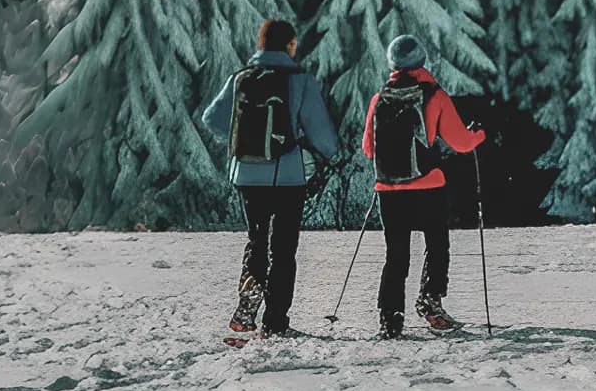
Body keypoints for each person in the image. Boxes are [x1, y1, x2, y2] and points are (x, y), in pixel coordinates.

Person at [198, 17, 343, 337]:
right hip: (287, 176)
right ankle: (276, 321)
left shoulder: (241, 78)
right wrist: (330, 153)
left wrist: (243, 140)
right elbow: (321, 133)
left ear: (260, 44)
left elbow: (212, 119)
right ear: (290, 45)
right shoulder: (299, 80)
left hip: (247, 175)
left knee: (257, 240)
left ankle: (248, 303)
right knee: (284, 248)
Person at [362, 32, 486, 338]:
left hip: (388, 190)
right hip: (428, 186)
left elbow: (368, 148)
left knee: (396, 255)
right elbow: (460, 142)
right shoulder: (434, 96)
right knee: (436, 244)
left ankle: (390, 318)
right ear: (421, 60)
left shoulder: (379, 99)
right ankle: (430, 301)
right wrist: (478, 135)